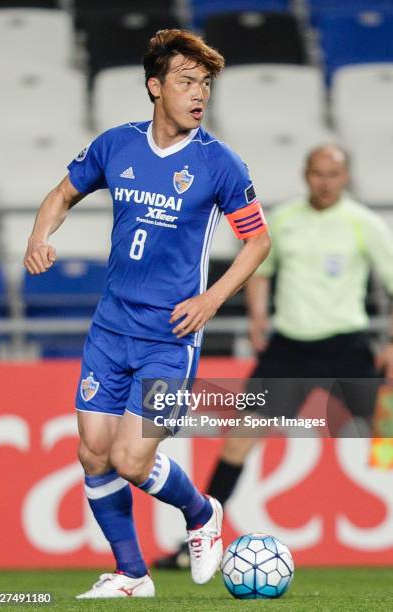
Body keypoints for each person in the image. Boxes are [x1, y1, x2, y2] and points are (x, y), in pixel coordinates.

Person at [23, 29, 270, 598]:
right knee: (92, 452)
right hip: (110, 330)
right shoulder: (117, 145)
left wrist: (212, 299)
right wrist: (39, 236)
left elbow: (258, 243)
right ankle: (133, 575)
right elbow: (61, 194)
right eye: (186, 81)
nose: (198, 93)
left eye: (205, 84)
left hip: (170, 336)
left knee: (132, 460)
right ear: (155, 87)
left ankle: (203, 513)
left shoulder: (221, 163)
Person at [154, 143, 393, 569]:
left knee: (387, 436)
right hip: (289, 349)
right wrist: (258, 312)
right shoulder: (283, 220)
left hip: (347, 346)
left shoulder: (363, 224)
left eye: (333, 175)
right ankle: (198, 544)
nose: (325, 182)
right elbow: (260, 267)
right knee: (239, 438)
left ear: (346, 177)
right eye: (318, 173)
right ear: (306, 174)